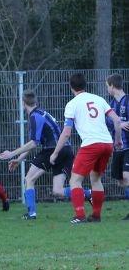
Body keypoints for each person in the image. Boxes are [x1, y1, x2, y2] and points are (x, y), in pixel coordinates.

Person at [0, 90, 90, 220]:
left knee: (29, 179)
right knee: (57, 190)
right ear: (35, 101)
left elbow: (33, 143)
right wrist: (18, 160)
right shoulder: (41, 113)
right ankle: (88, 194)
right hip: (66, 150)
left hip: (52, 150)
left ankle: (31, 214)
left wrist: (11, 154)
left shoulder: (35, 117)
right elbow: (35, 142)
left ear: (23, 103)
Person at [50, 73, 122, 224]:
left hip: (91, 144)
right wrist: (118, 140)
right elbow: (116, 120)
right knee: (95, 179)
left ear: (71, 87)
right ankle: (96, 215)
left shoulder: (72, 104)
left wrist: (55, 152)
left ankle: (80, 215)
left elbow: (67, 132)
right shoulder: (99, 99)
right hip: (107, 144)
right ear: (85, 85)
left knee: (75, 180)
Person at [105, 74, 129, 220]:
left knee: (127, 176)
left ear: (112, 86)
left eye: (107, 86)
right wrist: (118, 124)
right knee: (121, 180)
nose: (107, 89)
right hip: (118, 147)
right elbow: (108, 123)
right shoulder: (110, 105)